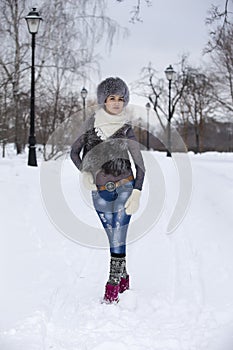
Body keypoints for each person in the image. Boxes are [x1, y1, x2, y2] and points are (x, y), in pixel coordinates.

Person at [70, 77, 145, 303]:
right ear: (103, 100)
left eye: (121, 99)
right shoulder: (90, 124)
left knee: (118, 235)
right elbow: (74, 153)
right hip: (100, 191)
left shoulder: (126, 128)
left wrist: (137, 191)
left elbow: (140, 163)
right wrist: (85, 172)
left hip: (125, 186)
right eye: (112, 98)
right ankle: (124, 277)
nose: (116, 103)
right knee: (113, 236)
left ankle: (112, 285)